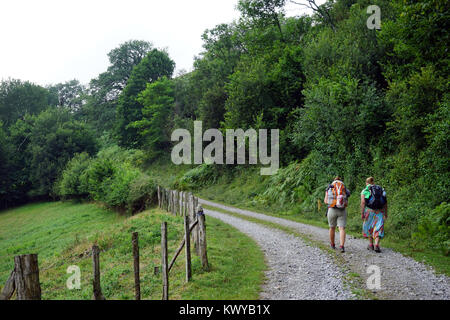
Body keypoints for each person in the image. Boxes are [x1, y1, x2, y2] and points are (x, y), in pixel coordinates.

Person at [361, 177, 388, 253]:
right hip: (379, 212)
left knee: (369, 227)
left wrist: (362, 213)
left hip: (369, 212)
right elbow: (385, 203)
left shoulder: (365, 190)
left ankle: (370, 244)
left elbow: (363, 202)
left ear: (367, 183)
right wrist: (386, 213)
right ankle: (376, 244)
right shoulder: (381, 189)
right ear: (373, 182)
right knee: (378, 228)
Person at [324, 176, 350, 253]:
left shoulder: (329, 188)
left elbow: (326, 201)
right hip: (342, 210)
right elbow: (346, 203)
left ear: (334, 181)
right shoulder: (344, 188)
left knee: (332, 228)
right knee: (341, 228)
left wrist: (332, 202)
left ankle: (332, 244)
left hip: (332, 210)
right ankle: (342, 246)